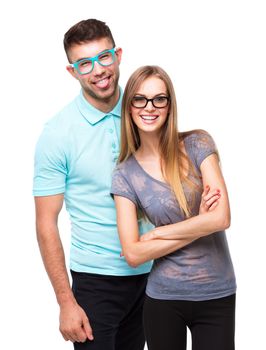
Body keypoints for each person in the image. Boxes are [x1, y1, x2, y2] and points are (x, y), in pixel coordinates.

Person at [33, 19, 155, 350]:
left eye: (104, 57)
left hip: (153, 274)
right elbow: (46, 223)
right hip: (95, 282)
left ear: (117, 55)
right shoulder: (58, 134)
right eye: (85, 63)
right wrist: (65, 302)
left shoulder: (145, 112)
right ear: (73, 72)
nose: (98, 70)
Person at [111, 65, 236, 350]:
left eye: (159, 99)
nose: (149, 107)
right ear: (129, 107)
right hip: (163, 298)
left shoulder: (198, 144)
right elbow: (132, 253)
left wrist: (157, 234)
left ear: (169, 105)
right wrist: (199, 224)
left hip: (216, 292)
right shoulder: (124, 174)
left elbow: (222, 217)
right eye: (140, 99)